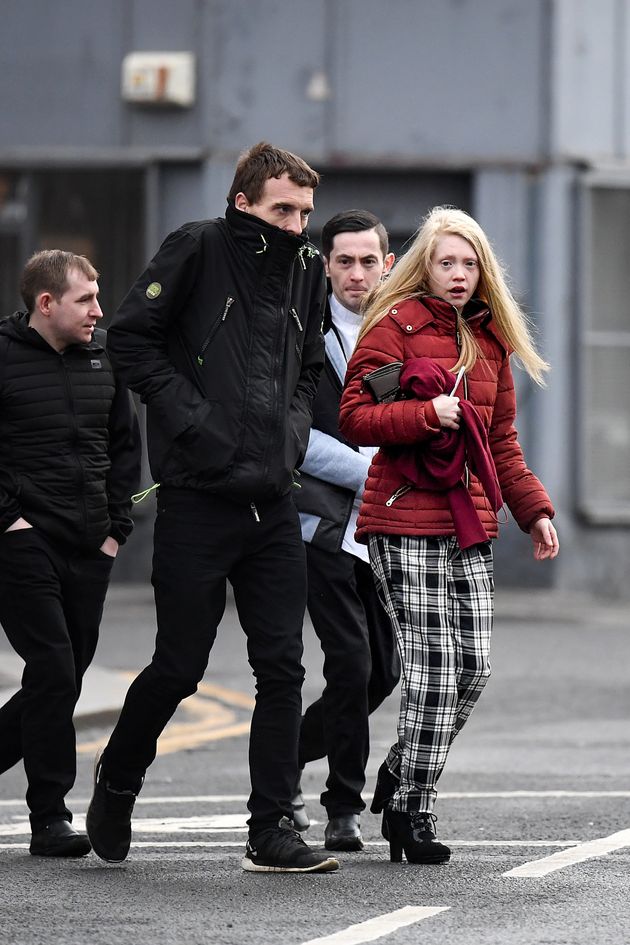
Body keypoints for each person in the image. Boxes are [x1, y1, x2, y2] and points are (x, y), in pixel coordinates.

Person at [85, 142, 340, 874]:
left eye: (304, 212)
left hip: (272, 502)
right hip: (198, 500)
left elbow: (310, 367)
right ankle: (120, 775)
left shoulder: (308, 268)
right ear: (244, 202)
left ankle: (271, 829)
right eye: (282, 209)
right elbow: (132, 340)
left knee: (284, 668)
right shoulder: (197, 246)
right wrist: (194, 420)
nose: (297, 224)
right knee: (179, 664)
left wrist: (292, 434)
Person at [339, 206, 559, 865]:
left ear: (482, 270)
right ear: (425, 267)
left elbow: (502, 444)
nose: (458, 274)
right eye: (446, 262)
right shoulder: (393, 325)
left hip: (470, 523)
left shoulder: (490, 344)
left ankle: (402, 766)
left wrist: (535, 511)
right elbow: (356, 416)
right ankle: (414, 811)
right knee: (433, 673)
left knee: (474, 667)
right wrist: (423, 412)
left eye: (469, 263)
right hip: (402, 518)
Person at [0, 250, 141, 857]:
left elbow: (124, 445)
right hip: (22, 539)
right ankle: (49, 817)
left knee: (65, 676)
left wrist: (116, 530)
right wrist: (10, 519)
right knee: (54, 668)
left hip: (91, 541)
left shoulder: (103, 355)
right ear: (46, 303)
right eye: (86, 299)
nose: (98, 311)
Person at [293, 210, 400, 851]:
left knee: (381, 672)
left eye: (368, 261)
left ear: (387, 263)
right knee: (351, 662)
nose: (357, 273)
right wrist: (377, 471)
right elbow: (298, 439)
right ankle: (343, 807)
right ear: (325, 264)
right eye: (344, 261)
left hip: (388, 529)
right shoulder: (304, 334)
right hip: (321, 526)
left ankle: (279, 754)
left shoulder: (404, 330)